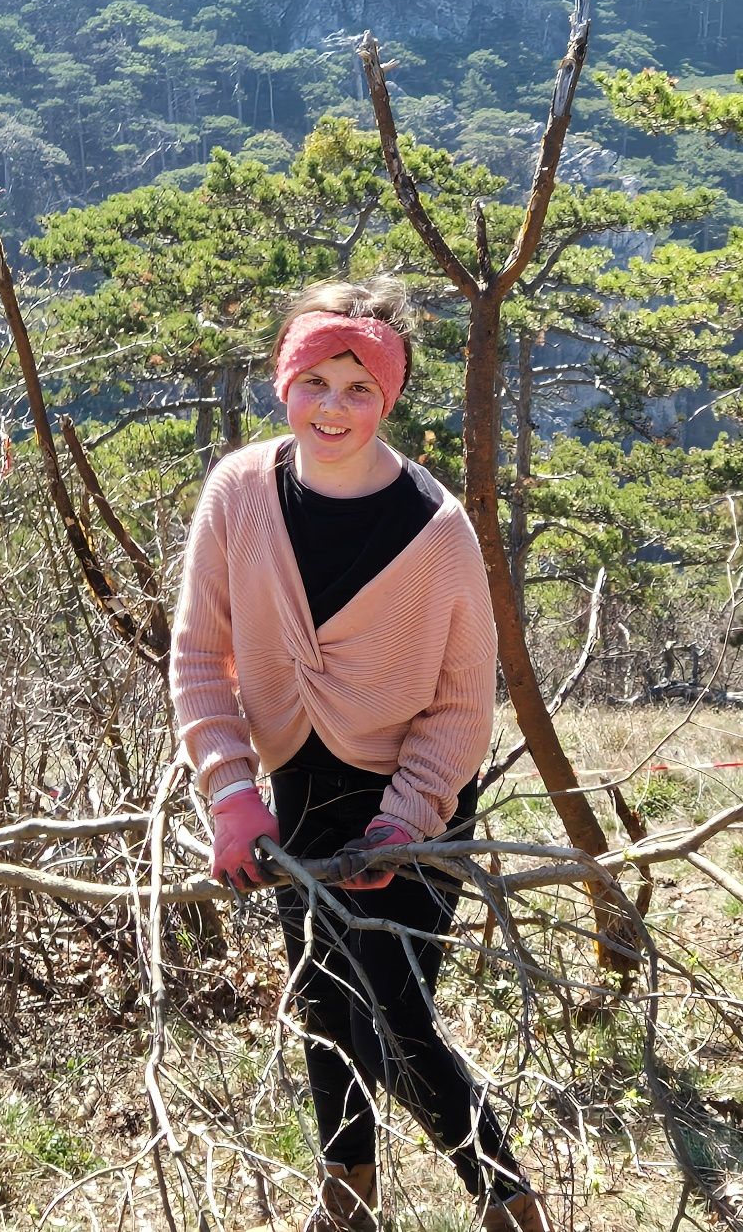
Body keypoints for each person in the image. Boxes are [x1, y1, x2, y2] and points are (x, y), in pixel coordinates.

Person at [170, 277, 549, 1232]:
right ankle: (348, 1198)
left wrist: (406, 821)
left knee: (394, 1010)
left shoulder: (436, 529)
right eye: (315, 382)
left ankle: (509, 1203)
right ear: (281, 381)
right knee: (319, 994)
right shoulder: (240, 494)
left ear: (390, 397)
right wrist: (231, 794)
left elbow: (465, 705)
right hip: (294, 783)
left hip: (409, 796)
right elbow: (199, 659)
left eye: (359, 388)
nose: (333, 409)